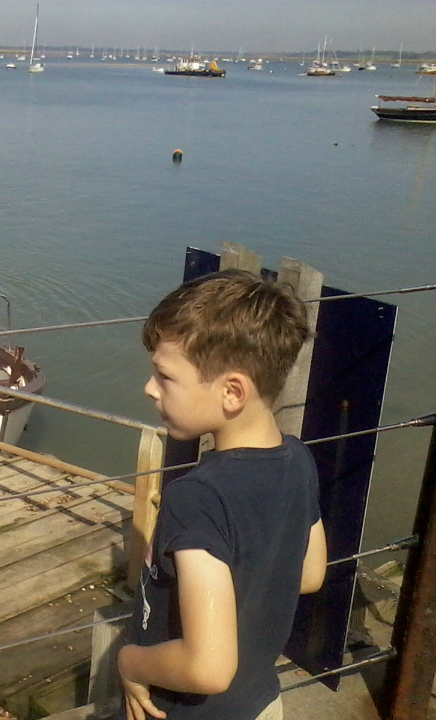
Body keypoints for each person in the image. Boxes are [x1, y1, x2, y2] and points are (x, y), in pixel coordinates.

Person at [117, 269, 327, 720]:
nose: (149, 388)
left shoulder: (196, 498)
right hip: (260, 703)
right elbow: (309, 574)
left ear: (232, 392)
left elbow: (208, 667)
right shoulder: (298, 460)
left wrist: (130, 662)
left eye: (165, 376)